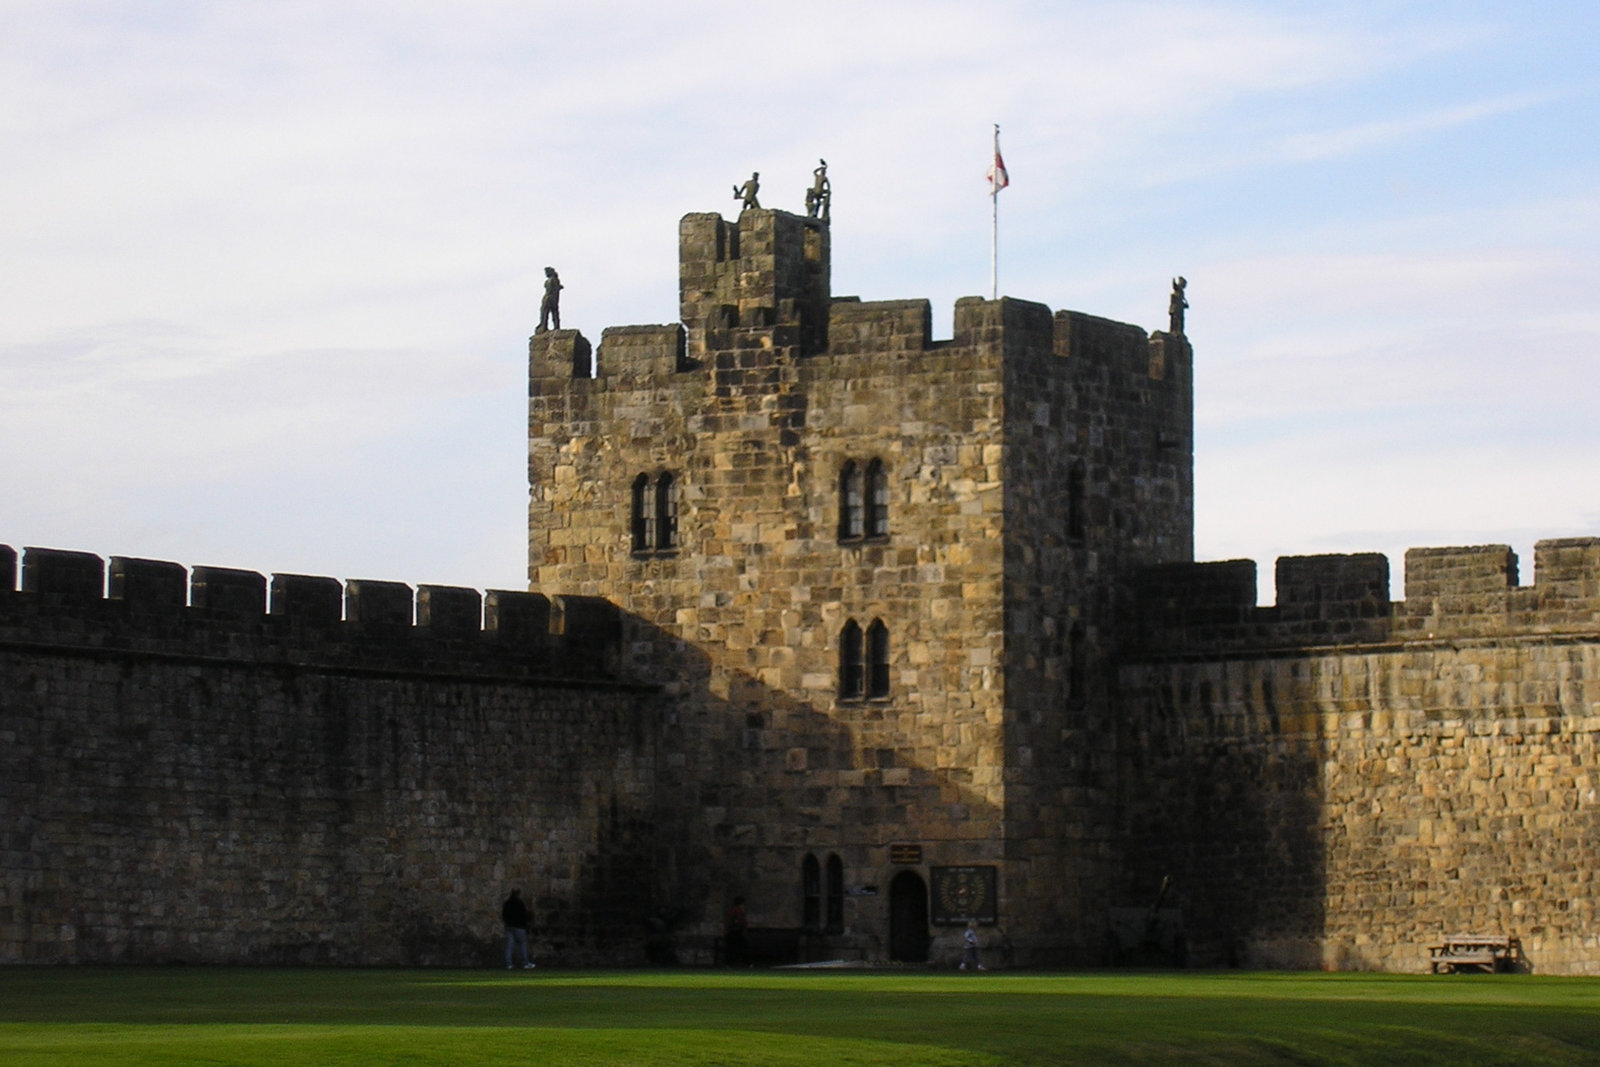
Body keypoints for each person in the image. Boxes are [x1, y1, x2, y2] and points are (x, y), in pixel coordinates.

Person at [502, 889, 535, 969]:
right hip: (519, 927)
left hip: (510, 926)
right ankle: (525, 962)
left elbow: (504, 915)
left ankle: (509, 963)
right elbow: (523, 915)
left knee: (509, 945)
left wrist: (507, 922)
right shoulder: (519, 903)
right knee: (522, 945)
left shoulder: (507, 903)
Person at [538, 267, 562, 333]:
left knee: (548, 313)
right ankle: (545, 326)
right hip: (550, 298)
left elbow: (553, 290)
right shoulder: (552, 280)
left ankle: (546, 326)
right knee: (550, 313)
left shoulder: (553, 280)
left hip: (549, 298)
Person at [725, 895, 748, 965]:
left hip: (734, 931)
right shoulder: (737, 911)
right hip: (735, 932)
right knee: (736, 947)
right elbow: (740, 921)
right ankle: (734, 962)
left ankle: (732, 962)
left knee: (734, 947)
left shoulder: (734, 910)